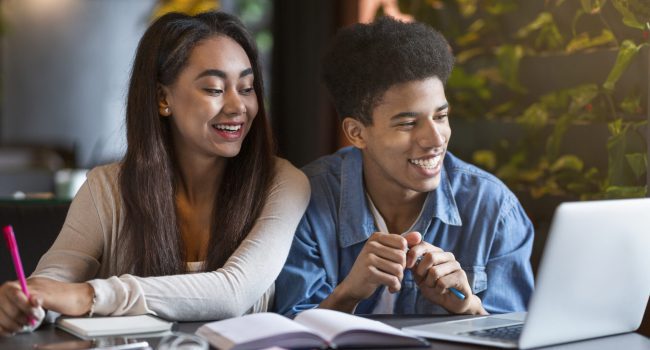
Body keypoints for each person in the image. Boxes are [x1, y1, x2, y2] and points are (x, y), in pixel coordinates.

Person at [0, 11, 310, 336]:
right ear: (164, 98)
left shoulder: (283, 183)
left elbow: (234, 292)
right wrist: (26, 303)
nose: (238, 106)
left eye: (246, 88)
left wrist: (91, 295)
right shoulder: (106, 188)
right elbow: (54, 281)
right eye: (215, 90)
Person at [274, 17, 534, 316]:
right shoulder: (304, 201)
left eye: (440, 117)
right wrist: (349, 293)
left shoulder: (493, 208)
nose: (435, 139)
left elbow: (516, 337)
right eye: (409, 123)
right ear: (357, 133)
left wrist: (469, 307)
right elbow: (287, 335)